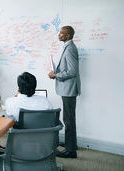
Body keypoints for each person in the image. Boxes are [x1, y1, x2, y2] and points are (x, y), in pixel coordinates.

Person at [48, 26, 81, 158]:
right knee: (69, 118)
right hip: (67, 88)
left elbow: (72, 72)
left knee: (68, 120)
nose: (59, 35)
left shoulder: (70, 48)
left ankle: (71, 150)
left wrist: (56, 75)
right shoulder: (67, 47)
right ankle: (71, 143)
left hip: (69, 89)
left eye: (61, 33)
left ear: (68, 35)